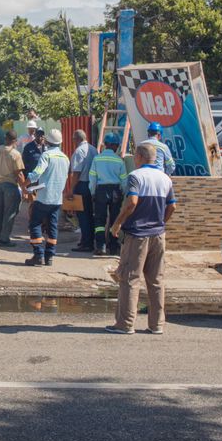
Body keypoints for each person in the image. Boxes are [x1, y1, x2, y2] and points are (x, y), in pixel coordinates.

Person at [107, 143, 177, 334]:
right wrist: (161, 223)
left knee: (130, 278)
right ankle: (157, 325)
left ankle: (125, 323)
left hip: (137, 235)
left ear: (138, 157)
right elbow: (172, 206)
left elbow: (132, 202)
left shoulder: (135, 176)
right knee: (156, 280)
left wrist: (117, 223)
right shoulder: (165, 178)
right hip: (158, 235)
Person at [23, 128, 70, 267]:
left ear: (47, 142)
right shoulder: (65, 158)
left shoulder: (46, 155)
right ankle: (49, 257)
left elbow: (37, 173)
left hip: (44, 197)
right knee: (52, 227)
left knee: (35, 223)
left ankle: (38, 255)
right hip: (57, 199)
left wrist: (25, 184)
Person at [88, 133, 128, 255]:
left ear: (105, 144)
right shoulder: (119, 161)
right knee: (115, 219)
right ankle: (113, 246)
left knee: (99, 220)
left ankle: (101, 246)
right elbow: (124, 180)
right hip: (115, 191)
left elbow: (92, 178)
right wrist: (124, 193)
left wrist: (92, 192)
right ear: (115, 146)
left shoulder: (97, 159)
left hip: (101, 191)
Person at [0, 131, 23, 246]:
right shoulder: (15, 154)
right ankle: (4, 238)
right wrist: (24, 188)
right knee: (10, 212)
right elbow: (19, 173)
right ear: (15, 141)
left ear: (5, 138)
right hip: (10, 185)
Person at [65, 128, 94, 252]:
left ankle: (86, 244)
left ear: (76, 139)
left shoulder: (78, 151)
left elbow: (76, 173)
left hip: (82, 185)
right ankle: (88, 240)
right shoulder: (93, 149)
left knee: (82, 216)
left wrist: (71, 189)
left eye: (73, 139)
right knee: (90, 214)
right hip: (92, 185)